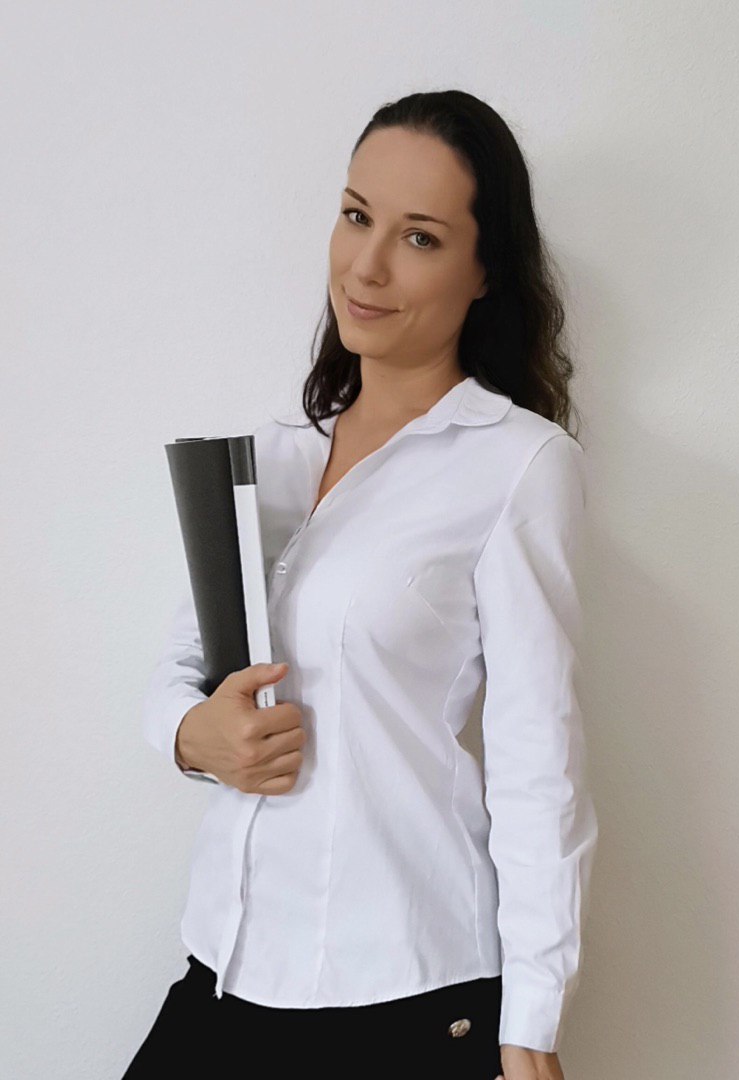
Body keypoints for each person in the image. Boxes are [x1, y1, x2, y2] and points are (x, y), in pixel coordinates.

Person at [123, 89, 598, 1080]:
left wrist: (532, 1024)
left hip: (402, 994)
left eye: (419, 238)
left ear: (484, 272)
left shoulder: (515, 464)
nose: (366, 266)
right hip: (225, 962)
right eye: (355, 216)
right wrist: (190, 735)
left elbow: (537, 761)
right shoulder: (270, 455)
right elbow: (186, 664)